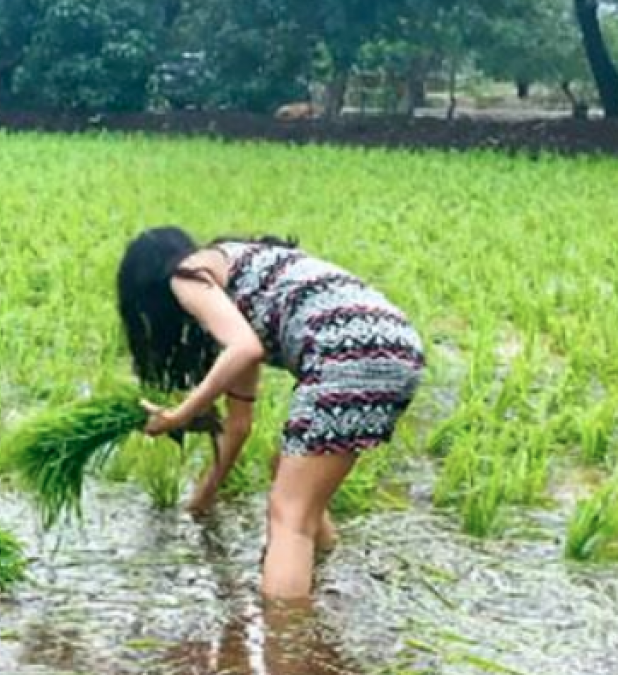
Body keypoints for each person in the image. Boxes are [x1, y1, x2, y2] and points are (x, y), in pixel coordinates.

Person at [116, 227, 424, 599]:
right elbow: (238, 424)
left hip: (347, 350)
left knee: (289, 515)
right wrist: (200, 502)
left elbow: (244, 349)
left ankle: (287, 639)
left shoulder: (185, 276)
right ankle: (324, 576)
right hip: (397, 345)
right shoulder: (239, 281)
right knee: (292, 477)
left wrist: (177, 416)